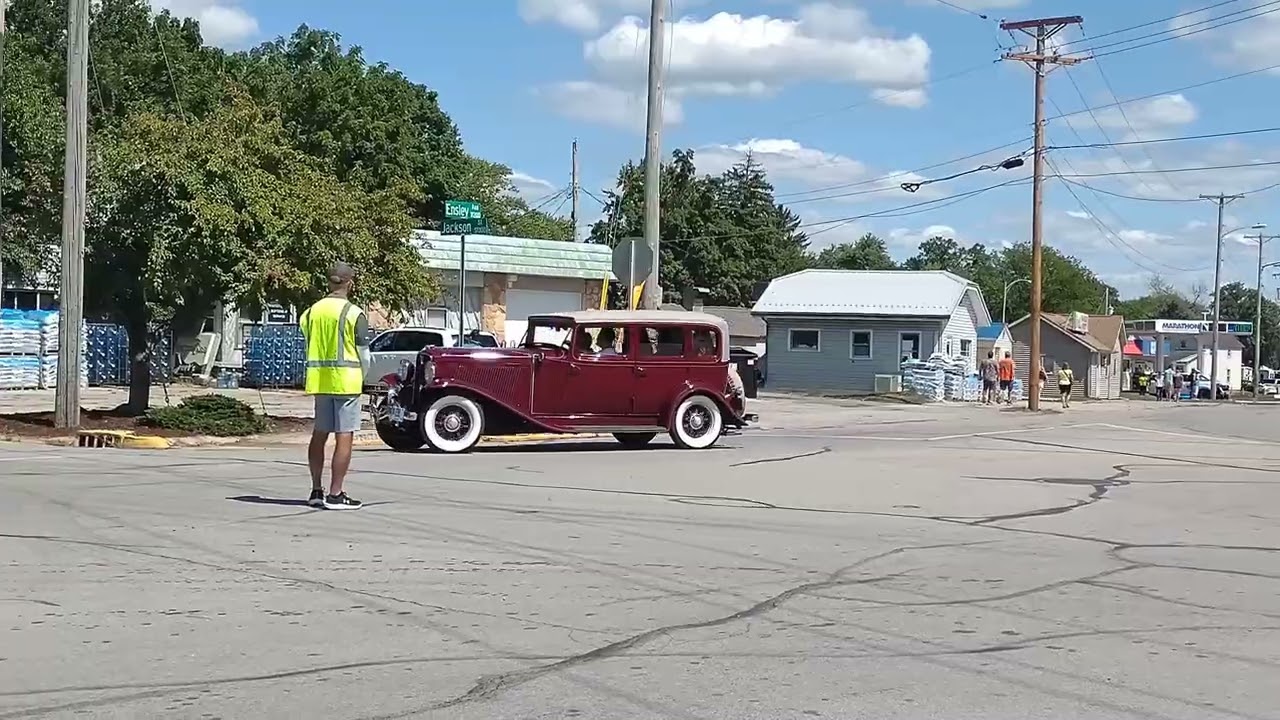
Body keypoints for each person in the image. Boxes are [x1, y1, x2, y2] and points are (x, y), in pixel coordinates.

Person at [299, 262, 370, 510]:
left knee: (319, 435)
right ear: (350, 283)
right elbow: (364, 355)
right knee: (344, 437)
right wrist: (365, 376)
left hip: (319, 380)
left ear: (329, 282)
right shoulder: (354, 313)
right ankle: (336, 494)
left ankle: (316, 490)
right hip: (347, 382)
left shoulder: (310, 313)